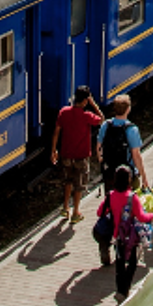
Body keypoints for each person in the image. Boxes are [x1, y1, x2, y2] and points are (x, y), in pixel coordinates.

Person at [96, 164, 153, 301]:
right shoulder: (132, 197)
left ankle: (119, 290)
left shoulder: (110, 196)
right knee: (133, 263)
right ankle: (125, 290)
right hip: (131, 236)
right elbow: (141, 217)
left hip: (118, 235)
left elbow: (100, 212)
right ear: (129, 179)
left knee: (120, 263)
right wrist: (151, 216)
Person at [50, 86, 104, 223]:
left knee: (67, 180)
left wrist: (53, 150)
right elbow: (102, 119)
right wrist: (93, 104)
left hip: (66, 154)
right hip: (81, 155)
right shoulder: (87, 116)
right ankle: (76, 212)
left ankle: (65, 207)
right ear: (85, 100)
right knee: (79, 184)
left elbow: (56, 132)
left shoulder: (64, 112)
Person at [95, 95, 147, 189]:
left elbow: (99, 147)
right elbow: (136, 156)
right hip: (127, 174)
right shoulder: (132, 129)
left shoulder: (105, 125)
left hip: (110, 172)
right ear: (128, 109)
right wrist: (144, 177)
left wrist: (103, 164)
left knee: (111, 200)